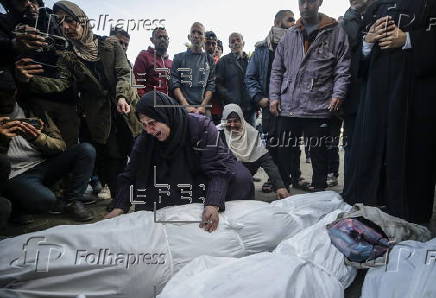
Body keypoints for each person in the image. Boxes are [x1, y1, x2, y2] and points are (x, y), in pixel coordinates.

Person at [15, 0, 142, 210]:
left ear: (82, 20)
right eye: (60, 23)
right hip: (99, 115)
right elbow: (60, 84)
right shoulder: (68, 58)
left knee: (136, 148)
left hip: (125, 107)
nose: (65, 27)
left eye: (70, 21)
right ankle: (119, 198)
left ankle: (144, 191)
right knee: (110, 155)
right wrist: (28, 79)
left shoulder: (111, 45)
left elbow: (123, 73)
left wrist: (121, 97)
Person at [105, 92, 254, 232]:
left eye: (152, 123)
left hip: (201, 177)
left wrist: (213, 203)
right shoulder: (145, 139)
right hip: (171, 181)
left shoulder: (201, 128)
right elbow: (131, 174)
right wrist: (119, 206)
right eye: (144, 125)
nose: (149, 130)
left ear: (166, 115)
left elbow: (217, 167)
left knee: (240, 179)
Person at [344, 0, 436, 224]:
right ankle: (366, 210)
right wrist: (367, 41)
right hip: (374, 99)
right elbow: (358, 59)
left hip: (413, 99)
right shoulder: (375, 8)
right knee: (370, 149)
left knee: (408, 150)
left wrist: (407, 40)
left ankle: (408, 217)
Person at [269, 0, 351, 192]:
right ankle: (283, 190)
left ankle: (319, 193)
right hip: (288, 106)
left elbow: (343, 67)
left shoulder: (335, 32)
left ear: (320, 2)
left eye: (311, 1)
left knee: (319, 153)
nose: (306, 6)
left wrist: (338, 94)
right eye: (302, 2)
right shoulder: (290, 35)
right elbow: (277, 70)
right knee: (284, 151)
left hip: (319, 106)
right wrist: (274, 97)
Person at [0, 73, 96, 222]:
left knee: (86, 150)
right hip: (15, 174)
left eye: (8, 94)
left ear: (15, 92)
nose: (5, 100)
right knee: (47, 201)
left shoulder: (33, 109)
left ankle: (72, 200)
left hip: (43, 164)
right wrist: (3, 140)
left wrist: (37, 138)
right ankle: (17, 205)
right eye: (0, 95)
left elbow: (60, 145)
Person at [245, 9, 295, 193]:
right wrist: (259, 98)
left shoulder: (296, 45)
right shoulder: (261, 50)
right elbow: (250, 77)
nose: (293, 22)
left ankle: (286, 180)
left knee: (289, 145)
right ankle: (275, 180)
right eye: (290, 19)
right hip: (268, 106)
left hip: (290, 105)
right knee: (272, 144)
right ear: (277, 21)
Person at [220, 104, 290, 199]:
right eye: (229, 122)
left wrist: (280, 186)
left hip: (244, 178)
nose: (232, 125)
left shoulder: (251, 134)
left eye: (236, 121)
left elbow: (266, 161)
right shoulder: (217, 134)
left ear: (242, 119)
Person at [341, 0, 374, 188]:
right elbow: (353, 43)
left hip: (360, 94)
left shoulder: (356, 18)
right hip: (355, 95)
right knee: (353, 145)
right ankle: (352, 190)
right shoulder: (350, 20)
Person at [171, 22, 216, 115]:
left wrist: (203, 106)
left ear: (204, 38)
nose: (196, 35)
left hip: (203, 109)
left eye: (199, 33)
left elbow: (211, 84)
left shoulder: (209, 59)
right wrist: (184, 104)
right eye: (193, 32)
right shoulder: (178, 58)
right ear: (189, 37)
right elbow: (174, 82)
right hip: (183, 109)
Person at [216, 33, 256, 126]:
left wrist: (255, 100)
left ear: (243, 43)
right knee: (233, 138)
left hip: (250, 110)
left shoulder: (250, 60)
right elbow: (217, 84)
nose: (236, 43)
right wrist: (231, 98)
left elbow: (255, 80)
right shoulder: (223, 61)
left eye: (238, 40)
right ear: (229, 45)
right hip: (232, 110)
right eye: (232, 41)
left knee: (250, 138)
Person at [133, 27, 172, 97]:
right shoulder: (144, 56)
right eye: (159, 37)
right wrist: (145, 102)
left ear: (168, 40)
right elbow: (137, 84)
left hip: (169, 104)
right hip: (150, 103)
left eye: (165, 37)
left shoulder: (171, 63)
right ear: (152, 40)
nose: (162, 39)